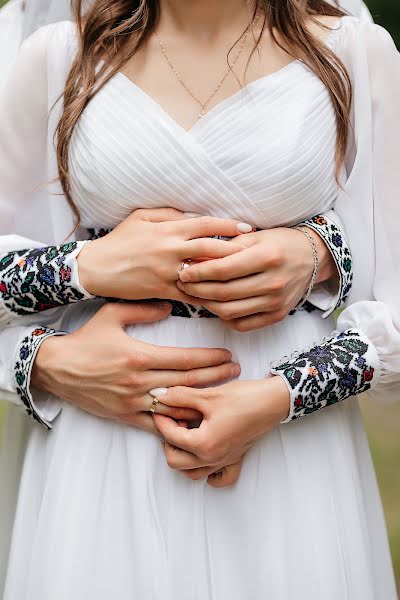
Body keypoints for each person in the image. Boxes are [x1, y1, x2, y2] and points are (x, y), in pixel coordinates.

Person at [0, 0, 399, 598]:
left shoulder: (352, 54)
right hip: (103, 439)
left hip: (288, 440)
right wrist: (61, 325)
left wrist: (283, 390)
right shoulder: (58, 58)